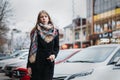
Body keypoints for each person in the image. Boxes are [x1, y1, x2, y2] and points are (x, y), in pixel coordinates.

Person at [27, 10, 59, 80]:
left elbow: (56, 47)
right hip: (36, 64)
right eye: (41, 17)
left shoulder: (55, 31)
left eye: (45, 16)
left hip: (48, 63)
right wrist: (29, 66)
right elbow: (31, 49)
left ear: (48, 18)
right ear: (39, 19)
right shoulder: (35, 31)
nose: (44, 18)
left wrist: (54, 55)